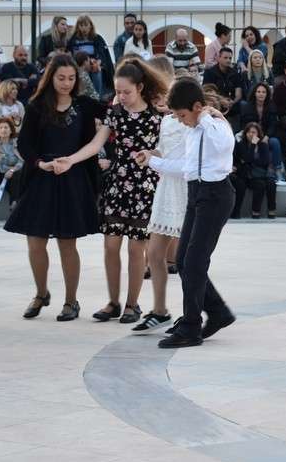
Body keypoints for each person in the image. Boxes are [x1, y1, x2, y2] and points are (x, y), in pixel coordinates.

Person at [5, 54, 111, 320]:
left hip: (73, 179)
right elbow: (24, 144)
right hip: (42, 177)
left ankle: (71, 301)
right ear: (50, 77)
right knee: (35, 242)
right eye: (61, 78)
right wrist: (40, 163)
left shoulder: (85, 105)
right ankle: (41, 293)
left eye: (71, 78)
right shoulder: (37, 106)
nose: (66, 83)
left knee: (67, 243)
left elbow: (116, 112)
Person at [135, 78, 237, 349]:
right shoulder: (192, 130)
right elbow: (185, 168)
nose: (180, 121)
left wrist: (206, 116)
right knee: (183, 260)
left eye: (182, 115)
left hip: (215, 196)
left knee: (194, 262)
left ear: (196, 107)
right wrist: (153, 161)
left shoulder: (215, 126)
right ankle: (218, 311)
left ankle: (191, 326)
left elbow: (225, 145)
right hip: (196, 194)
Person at [92, 59, 167, 324]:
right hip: (118, 183)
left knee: (136, 249)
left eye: (126, 91)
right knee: (110, 245)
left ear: (140, 88)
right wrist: (71, 159)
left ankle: (132, 305)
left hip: (145, 186)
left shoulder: (158, 115)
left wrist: (151, 154)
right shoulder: (114, 113)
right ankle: (113, 302)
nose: (121, 96)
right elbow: (96, 144)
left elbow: (166, 149)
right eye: (118, 91)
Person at [134, 90, 189, 334]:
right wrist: (150, 154)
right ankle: (159, 311)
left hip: (186, 190)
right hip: (166, 190)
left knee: (188, 260)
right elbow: (163, 150)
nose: (160, 101)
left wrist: (154, 161)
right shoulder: (166, 121)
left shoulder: (193, 123)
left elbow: (186, 164)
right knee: (155, 253)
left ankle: (191, 314)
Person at [232, 121, 277, 219]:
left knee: (269, 184)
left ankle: (269, 210)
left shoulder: (263, 145)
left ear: (258, 134)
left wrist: (250, 161)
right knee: (258, 184)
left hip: (261, 173)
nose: (251, 134)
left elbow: (265, 161)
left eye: (254, 132)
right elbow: (247, 159)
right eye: (249, 132)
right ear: (245, 133)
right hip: (247, 174)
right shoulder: (241, 145)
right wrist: (252, 146)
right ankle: (253, 211)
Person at [67, 14, 112, 95]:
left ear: (90, 26)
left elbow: (102, 55)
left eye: (86, 25)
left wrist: (96, 63)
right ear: (78, 27)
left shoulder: (97, 38)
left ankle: (97, 96)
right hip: (79, 65)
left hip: (93, 64)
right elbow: (70, 55)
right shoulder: (73, 39)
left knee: (96, 71)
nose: (84, 28)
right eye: (81, 25)